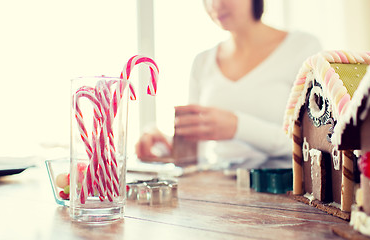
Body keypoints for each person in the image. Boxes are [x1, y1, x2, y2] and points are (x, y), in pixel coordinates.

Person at [135, 0, 322, 167]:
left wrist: (237, 127)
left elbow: (313, 143)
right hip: (218, 190)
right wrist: (163, 145)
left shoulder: (303, 47)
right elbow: (198, 151)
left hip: (282, 192)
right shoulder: (202, 61)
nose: (214, 5)